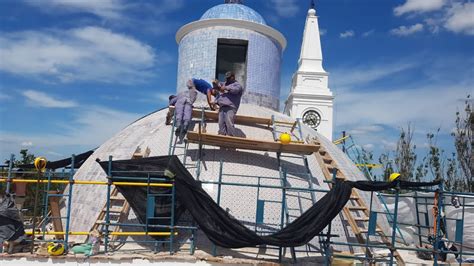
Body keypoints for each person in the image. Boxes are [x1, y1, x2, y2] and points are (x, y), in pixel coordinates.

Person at [214, 71, 243, 136]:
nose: (227, 79)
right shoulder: (224, 83)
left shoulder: (237, 85)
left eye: (228, 78)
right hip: (222, 107)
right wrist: (216, 83)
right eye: (226, 78)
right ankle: (222, 138)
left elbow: (235, 90)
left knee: (229, 122)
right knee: (221, 123)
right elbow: (219, 86)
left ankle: (231, 139)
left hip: (231, 107)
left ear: (233, 77)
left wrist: (226, 88)